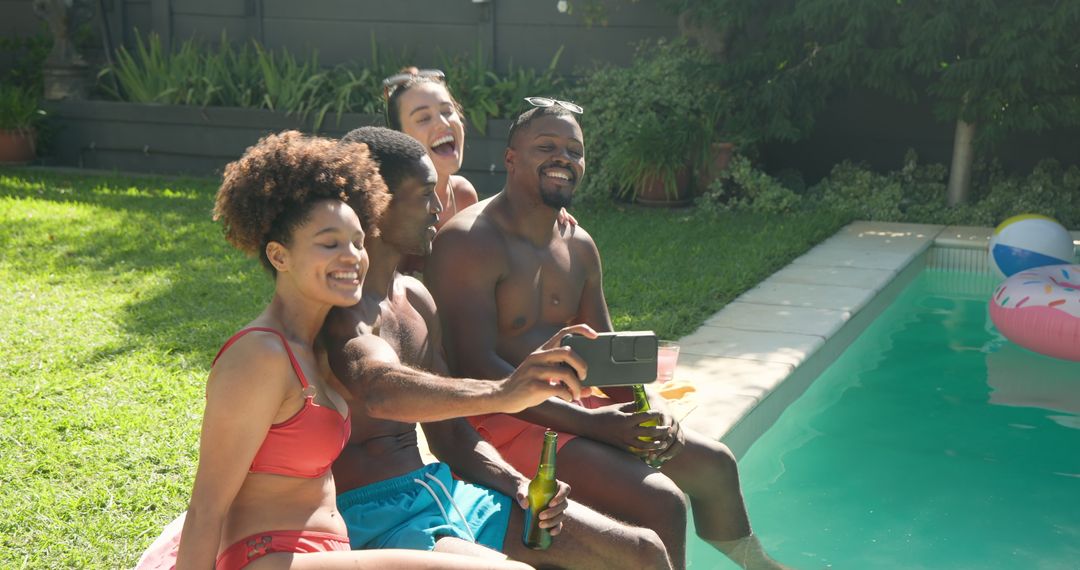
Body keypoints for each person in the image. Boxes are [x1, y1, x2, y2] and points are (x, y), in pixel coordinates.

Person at [425, 101, 789, 570]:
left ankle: (758, 566)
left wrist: (646, 411)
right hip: (503, 420)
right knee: (662, 501)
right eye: (547, 147)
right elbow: (478, 367)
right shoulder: (471, 241)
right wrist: (599, 426)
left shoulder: (578, 244)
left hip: (574, 410)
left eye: (574, 151)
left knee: (713, 463)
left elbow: (608, 356)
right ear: (511, 157)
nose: (563, 158)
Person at [176, 130, 532, 570]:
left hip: (331, 551)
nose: (352, 257)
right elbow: (205, 507)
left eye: (358, 241)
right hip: (269, 555)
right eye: (329, 243)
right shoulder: (261, 355)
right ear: (279, 255)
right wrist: (504, 391)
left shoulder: (314, 344)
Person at [321, 126, 672, 569]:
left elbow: (450, 435)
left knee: (643, 552)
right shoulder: (337, 308)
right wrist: (506, 391)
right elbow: (378, 388)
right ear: (375, 203)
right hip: (372, 516)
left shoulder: (415, 298)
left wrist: (517, 483)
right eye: (425, 195)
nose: (438, 207)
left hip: (441, 490)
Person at [383, 68, 575, 275]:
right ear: (399, 136)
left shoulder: (462, 195)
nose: (443, 122)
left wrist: (538, 211)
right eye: (423, 118)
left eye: (447, 111)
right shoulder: (389, 208)